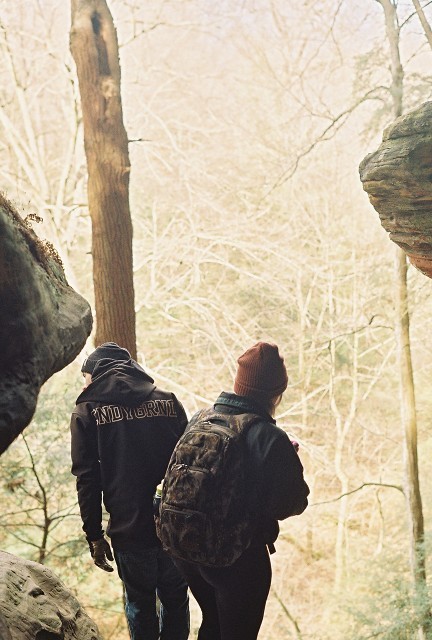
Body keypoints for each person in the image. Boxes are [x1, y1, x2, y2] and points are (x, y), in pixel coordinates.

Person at [173, 341, 309, 640]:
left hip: (185, 548)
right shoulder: (269, 437)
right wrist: (289, 462)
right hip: (236, 557)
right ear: (277, 393)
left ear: (238, 384)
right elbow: (293, 503)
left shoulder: (201, 418)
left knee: (213, 623)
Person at [70, 342, 190, 640]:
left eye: (85, 377)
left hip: (129, 530)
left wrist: (94, 534)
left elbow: (87, 478)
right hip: (175, 527)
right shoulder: (168, 401)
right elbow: (189, 463)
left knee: (139, 605)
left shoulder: (87, 412)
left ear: (94, 375)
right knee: (177, 602)